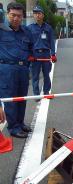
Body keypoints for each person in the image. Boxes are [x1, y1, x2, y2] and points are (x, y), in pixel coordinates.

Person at [0, 2, 33, 138]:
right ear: (8, 14)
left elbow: (31, 47)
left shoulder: (26, 31)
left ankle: (20, 122)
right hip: (7, 69)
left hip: (23, 68)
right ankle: (13, 127)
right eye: (13, 15)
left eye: (19, 16)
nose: (16, 18)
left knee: (22, 97)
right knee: (10, 98)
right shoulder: (1, 30)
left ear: (22, 17)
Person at [28, 6, 57, 99]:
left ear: (43, 15)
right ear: (34, 15)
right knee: (35, 76)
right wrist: (29, 55)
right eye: (35, 13)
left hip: (45, 54)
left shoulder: (48, 28)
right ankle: (36, 94)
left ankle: (46, 92)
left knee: (46, 75)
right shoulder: (30, 28)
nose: (37, 15)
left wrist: (53, 54)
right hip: (34, 55)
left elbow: (52, 42)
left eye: (39, 13)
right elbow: (27, 43)